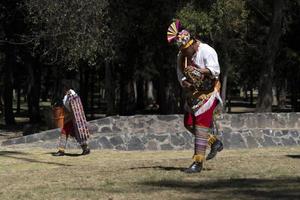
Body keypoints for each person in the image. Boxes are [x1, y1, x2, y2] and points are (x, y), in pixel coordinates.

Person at [167, 20, 223, 173]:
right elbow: (181, 75)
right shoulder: (181, 56)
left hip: (208, 93)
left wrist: (200, 72)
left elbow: (215, 71)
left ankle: (197, 163)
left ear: (193, 44)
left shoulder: (207, 50)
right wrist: (186, 83)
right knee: (189, 123)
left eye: (187, 50)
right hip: (192, 94)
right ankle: (214, 142)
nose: (185, 53)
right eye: (182, 51)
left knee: (200, 126)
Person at [53, 82, 91, 156]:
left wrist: (71, 117)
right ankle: (85, 149)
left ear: (66, 88)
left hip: (75, 118)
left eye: (63, 88)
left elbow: (75, 108)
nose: (62, 90)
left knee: (67, 132)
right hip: (72, 118)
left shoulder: (72, 95)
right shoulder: (67, 96)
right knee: (75, 133)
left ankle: (61, 151)